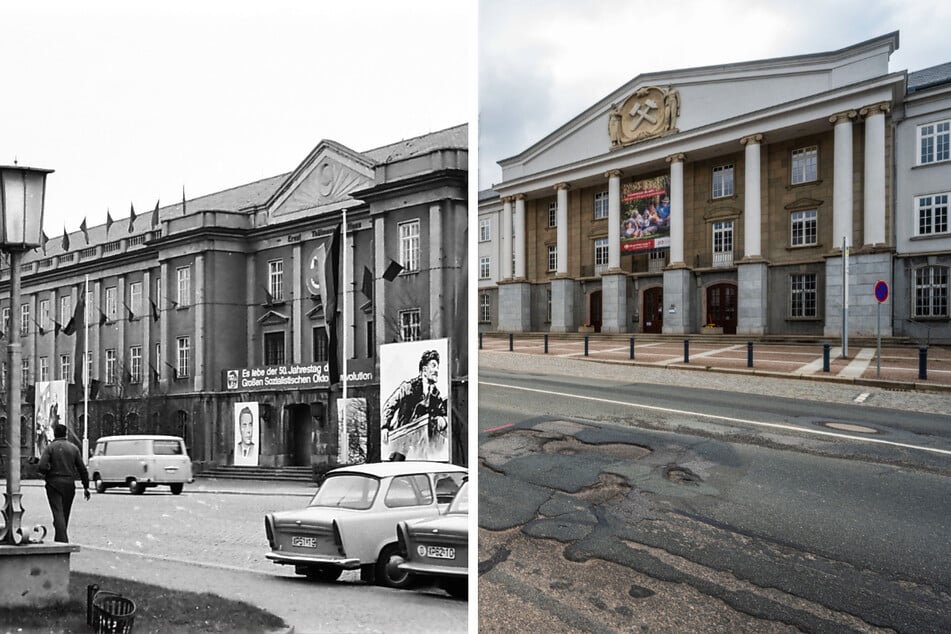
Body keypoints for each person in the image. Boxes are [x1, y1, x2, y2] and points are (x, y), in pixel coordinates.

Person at [37, 423, 90, 543]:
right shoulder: (73, 448)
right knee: (65, 513)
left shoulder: (50, 448)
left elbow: (42, 467)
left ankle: (62, 540)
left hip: (53, 483)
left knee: (57, 512)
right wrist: (86, 486)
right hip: (69, 484)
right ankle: (60, 539)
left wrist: (47, 470)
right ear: (66, 433)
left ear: (55, 434)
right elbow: (82, 469)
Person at [381, 349, 448, 442]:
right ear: (424, 370)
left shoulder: (437, 396)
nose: (436, 370)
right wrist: (385, 427)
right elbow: (389, 405)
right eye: (433, 366)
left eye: (437, 367)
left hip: (423, 445)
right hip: (402, 440)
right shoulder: (407, 388)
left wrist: (443, 420)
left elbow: (442, 416)